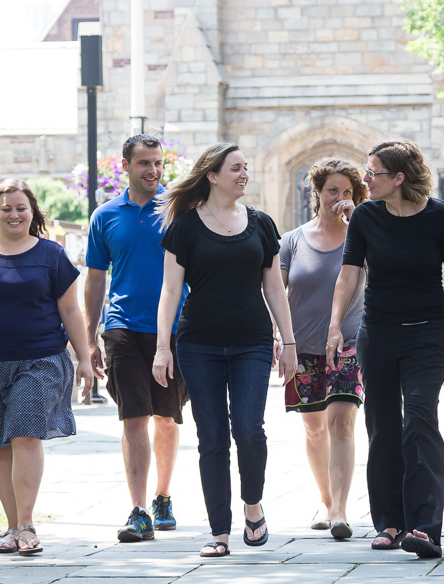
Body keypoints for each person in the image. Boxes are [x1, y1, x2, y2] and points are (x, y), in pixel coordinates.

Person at [0, 178, 100, 556]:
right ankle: (11, 527)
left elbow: (71, 311)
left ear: (32, 212)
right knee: (0, 445)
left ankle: (26, 526)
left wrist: (84, 357)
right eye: (6, 208)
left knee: (26, 434)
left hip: (40, 359)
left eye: (21, 207)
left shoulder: (51, 255)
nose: (14, 214)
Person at [327, 140, 444, 559]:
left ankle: (425, 528)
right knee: (383, 424)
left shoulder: (442, 216)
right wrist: (336, 327)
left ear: (399, 178)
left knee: (421, 421)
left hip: (426, 334)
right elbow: (348, 275)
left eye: (373, 173)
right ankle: (389, 521)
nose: (365, 179)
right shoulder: (367, 217)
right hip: (378, 333)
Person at [152, 142, 297, 558]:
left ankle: (253, 504)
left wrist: (288, 341)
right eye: (236, 168)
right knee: (211, 438)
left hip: (253, 341)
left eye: (246, 167)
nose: (244, 174)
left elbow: (274, 287)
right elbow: (170, 291)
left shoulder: (262, 224)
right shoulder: (185, 227)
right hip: (198, 344)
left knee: (249, 431)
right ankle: (219, 532)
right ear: (212, 176)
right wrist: (164, 348)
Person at [84, 134, 188, 543]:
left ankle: (163, 496)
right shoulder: (106, 216)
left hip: (175, 328)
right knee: (133, 418)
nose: (153, 170)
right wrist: (90, 338)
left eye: (158, 163)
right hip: (123, 327)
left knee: (166, 417)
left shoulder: (180, 211)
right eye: (144, 163)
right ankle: (140, 509)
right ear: (125, 166)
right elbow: (94, 280)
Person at [280, 158, 367, 539]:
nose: (339, 198)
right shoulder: (293, 240)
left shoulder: (363, 238)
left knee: (342, 422)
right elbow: (274, 292)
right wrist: (278, 337)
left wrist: (361, 225)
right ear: (316, 192)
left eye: (347, 192)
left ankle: (340, 511)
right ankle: (325, 498)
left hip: (349, 344)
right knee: (314, 428)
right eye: (333, 190)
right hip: (304, 347)